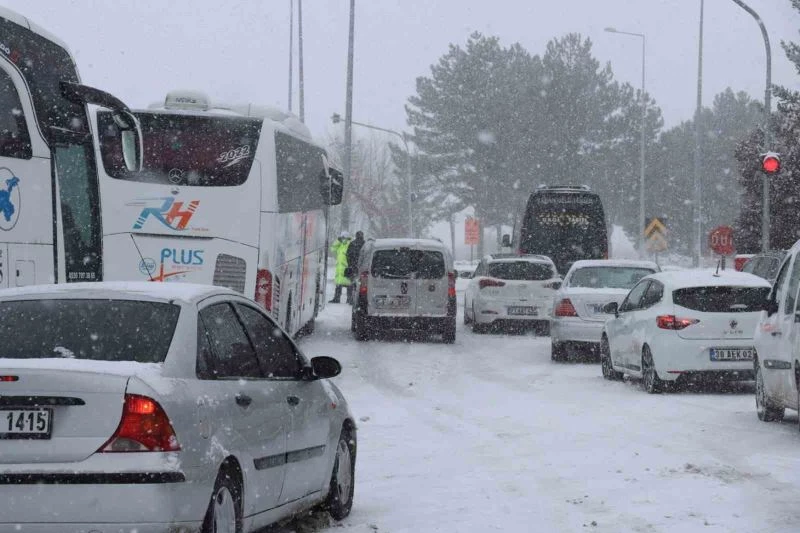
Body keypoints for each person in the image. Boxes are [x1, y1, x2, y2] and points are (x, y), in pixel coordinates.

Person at [329, 231, 351, 303]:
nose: (342, 239)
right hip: (339, 269)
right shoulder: (340, 245)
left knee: (348, 284)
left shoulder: (349, 245)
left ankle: (349, 299)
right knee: (338, 285)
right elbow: (332, 249)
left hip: (346, 269)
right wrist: (337, 241)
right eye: (341, 238)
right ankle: (337, 298)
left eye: (343, 238)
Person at [345, 230, 365, 304]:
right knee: (361, 284)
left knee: (351, 283)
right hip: (361, 268)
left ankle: (350, 299)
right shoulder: (365, 244)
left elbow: (347, 255)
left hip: (352, 267)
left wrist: (350, 264)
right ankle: (359, 299)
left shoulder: (352, 244)